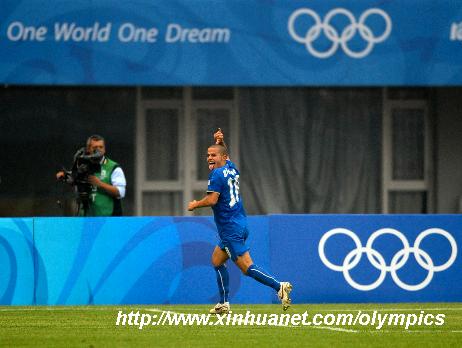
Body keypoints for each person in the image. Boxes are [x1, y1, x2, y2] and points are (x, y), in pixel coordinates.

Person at [188, 129, 292, 313]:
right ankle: (224, 303)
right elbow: (224, 155)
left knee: (247, 268)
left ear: (223, 157)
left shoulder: (216, 175)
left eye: (213, 155)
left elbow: (212, 200)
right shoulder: (231, 168)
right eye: (208, 155)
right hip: (240, 223)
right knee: (217, 260)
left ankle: (279, 287)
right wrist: (220, 142)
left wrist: (196, 204)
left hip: (230, 228)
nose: (209, 158)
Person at [56, 135, 126, 216]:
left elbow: (121, 192)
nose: (98, 150)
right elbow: (76, 178)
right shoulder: (83, 165)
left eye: (101, 147)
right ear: (88, 149)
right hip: (86, 217)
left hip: (108, 219)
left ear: (105, 149)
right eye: (95, 147)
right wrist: (66, 176)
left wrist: (100, 184)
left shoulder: (113, 167)